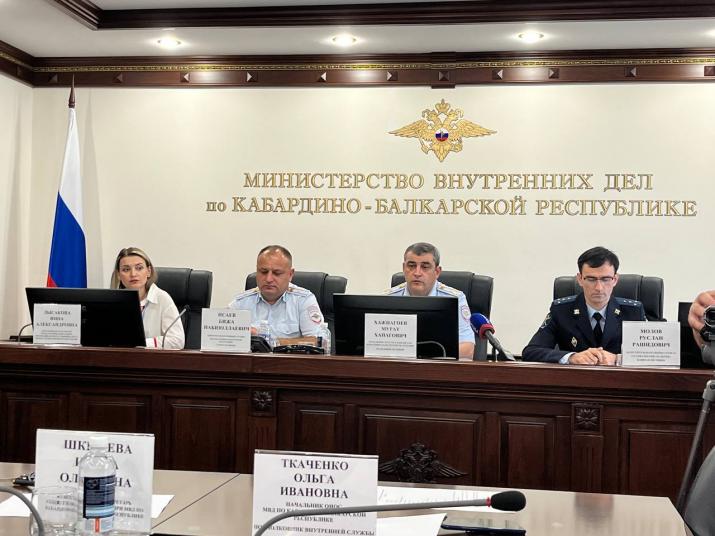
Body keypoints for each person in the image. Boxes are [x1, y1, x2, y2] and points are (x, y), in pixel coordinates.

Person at [522, 246, 645, 365]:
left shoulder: (633, 312)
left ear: (615, 280)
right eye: (591, 279)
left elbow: (650, 356)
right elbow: (531, 351)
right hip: (575, 377)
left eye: (605, 279)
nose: (599, 288)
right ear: (580, 279)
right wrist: (571, 357)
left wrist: (617, 359)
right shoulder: (561, 311)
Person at [385, 242, 475, 359]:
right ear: (403, 268)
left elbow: (468, 350)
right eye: (411, 266)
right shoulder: (388, 298)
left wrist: (423, 356)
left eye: (425, 267)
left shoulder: (455, 299)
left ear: (437, 272)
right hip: (398, 367)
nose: (417, 273)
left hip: (439, 367)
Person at [228, 245, 323, 338]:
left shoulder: (303, 300)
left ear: (290, 274)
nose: (268, 279)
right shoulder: (241, 303)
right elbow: (223, 336)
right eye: (263, 272)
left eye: (277, 273)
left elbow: (316, 341)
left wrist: (268, 341)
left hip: (287, 350)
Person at [110, 247, 185, 350]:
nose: (133, 274)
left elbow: (177, 341)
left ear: (149, 271)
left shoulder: (162, 298)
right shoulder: (112, 301)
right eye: (126, 269)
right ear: (118, 275)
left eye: (139, 268)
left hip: (152, 359)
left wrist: (142, 343)